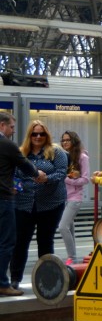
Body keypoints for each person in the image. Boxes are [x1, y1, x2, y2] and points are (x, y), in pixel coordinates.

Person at [11, 120, 67, 291]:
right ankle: (14, 280)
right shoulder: (20, 153)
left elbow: (61, 173)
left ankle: (47, 281)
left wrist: (46, 178)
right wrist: (15, 186)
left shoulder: (57, 152)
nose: (37, 137)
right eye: (34, 133)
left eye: (41, 134)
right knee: (20, 242)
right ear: (29, 135)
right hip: (24, 203)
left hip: (50, 204)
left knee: (45, 241)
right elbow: (14, 175)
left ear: (46, 135)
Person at [0, 112, 44, 296]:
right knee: (6, 242)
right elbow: (24, 164)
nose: (12, 131)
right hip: (3, 199)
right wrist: (38, 174)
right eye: (11, 127)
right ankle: (2, 283)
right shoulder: (7, 144)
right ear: (2, 125)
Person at [57, 130, 90, 262]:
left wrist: (67, 180)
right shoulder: (64, 156)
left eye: (67, 140)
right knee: (69, 228)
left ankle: (71, 257)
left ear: (74, 141)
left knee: (62, 227)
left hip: (74, 198)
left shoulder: (82, 157)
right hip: (63, 197)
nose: (65, 143)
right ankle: (73, 258)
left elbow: (86, 179)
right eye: (63, 140)